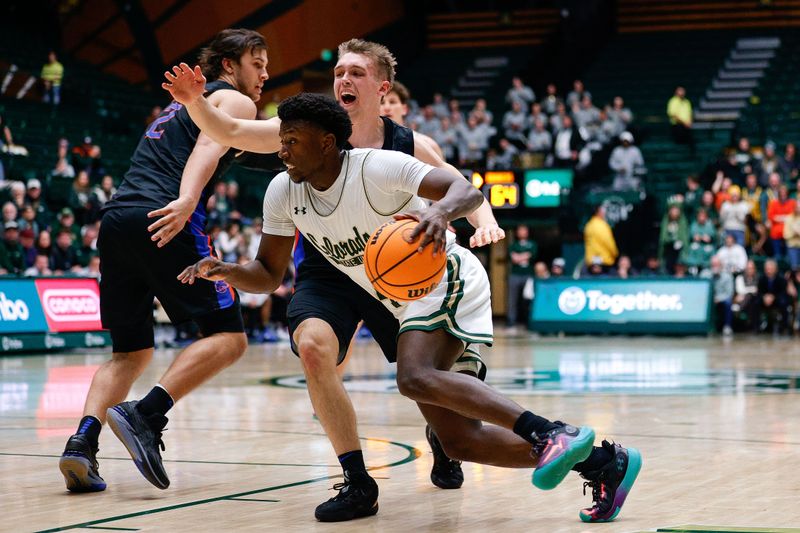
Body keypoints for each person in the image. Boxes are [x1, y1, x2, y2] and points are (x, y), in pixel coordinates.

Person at [168, 88, 641, 524]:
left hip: (446, 273)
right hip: (403, 298)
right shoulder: (282, 191)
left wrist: (438, 211)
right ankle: (603, 462)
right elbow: (268, 274)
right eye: (281, 140)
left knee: (413, 376)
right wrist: (228, 269)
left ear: (328, 142)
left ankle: (548, 431)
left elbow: (467, 190)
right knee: (459, 441)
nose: (283, 150)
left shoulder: (376, 166)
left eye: (292, 140)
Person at [165, 39, 507, 516]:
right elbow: (230, 129)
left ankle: (447, 431)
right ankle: (356, 480)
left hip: (396, 271)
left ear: (382, 88)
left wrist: (485, 221)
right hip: (331, 265)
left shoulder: (409, 145)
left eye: (356, 73)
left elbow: (460, 185)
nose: (343, 80)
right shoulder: (307, 134)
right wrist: (195, 102)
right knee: (313, 347)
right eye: (338, 72)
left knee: (430, 380)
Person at [58, 28, 273, 494]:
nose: (265, 73)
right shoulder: (234, 101)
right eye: (257, 63)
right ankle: (147, 413)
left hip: (117, 219)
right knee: (230, 338)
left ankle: (82, 443)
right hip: (166, 215)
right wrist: (187, 200)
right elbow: (209, 147)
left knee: (130, 352)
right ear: (229, 66)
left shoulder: (178, 106)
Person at [507, 224, 536, 330]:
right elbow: (513, 258)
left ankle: (528, 320)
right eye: (520, 230)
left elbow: (533, 254)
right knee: (512, 299)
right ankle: (511, 321)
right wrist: (525, 256)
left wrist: (519, 256)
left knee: (528, 298)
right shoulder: (513, 245)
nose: (522, 232)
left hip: (528, 275)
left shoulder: (532, 244)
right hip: (515, 274)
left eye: (524, 230)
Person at [584, 205, 618, 269]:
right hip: (604, 261)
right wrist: (615, 254)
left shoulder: (588, 225)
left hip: (591, 262)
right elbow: (609, 242)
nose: (604, 213)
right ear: (598, 212)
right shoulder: (602, 225)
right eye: (602, 211)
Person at [667, 86, 694, 154]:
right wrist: (684, 122)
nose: (682, 93)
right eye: (680, 91)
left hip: (686, 126)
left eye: (683, 91)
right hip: (677, 125)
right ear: (676, 92)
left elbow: (690, 113)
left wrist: (689, 121)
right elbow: (673, 114)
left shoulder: (687, 102)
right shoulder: (673, 101)